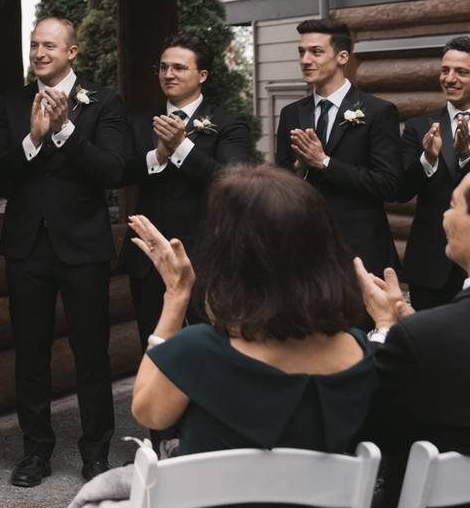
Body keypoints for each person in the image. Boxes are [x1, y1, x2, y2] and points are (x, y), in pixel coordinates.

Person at [88, 166, 377, 508]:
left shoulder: (202, 351)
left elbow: (149, 411)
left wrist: (176, 299)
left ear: (235, 259)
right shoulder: (357, 354)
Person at [0, 17, 127, 485]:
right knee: (30, 353)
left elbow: (113, 171)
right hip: (28, 246)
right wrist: (32, 139)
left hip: (83, 247)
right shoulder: (11, 104)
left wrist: (67, 130)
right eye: (34, 45)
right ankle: (36, 452)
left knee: (91, 353)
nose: (39, 52)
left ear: (72, 52)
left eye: (49, 45)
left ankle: (95, 452)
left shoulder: (104, 102)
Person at [355, 168, 470, 508]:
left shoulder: (424, 340)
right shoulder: (429, 335)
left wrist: (386, 329)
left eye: (454, 205)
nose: (444, 217)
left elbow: (368, 428)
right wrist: (411, 324)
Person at [117, 33, 252, 351]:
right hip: (149, 257)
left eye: (178, 68)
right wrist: (158, 156)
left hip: (207, 257)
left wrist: (181, 148)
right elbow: (119, 172)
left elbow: (230, 181)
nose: (168, 75)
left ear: (202, 75)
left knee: (213, 349)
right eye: (163, 68)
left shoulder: (229, 123)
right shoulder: (138, 122)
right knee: (155, 349)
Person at [274, 18, 401, 274]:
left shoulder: (378, 111)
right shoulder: (291, 113)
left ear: (342, 56)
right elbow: (280, 183)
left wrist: (324, 162)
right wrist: (299, 170)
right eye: (301, 52)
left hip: (360, 250)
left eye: (316, 52)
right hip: (305, 248)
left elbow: (389, 184)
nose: (305, 60)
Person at [396, 36, 470, 311]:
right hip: (430, 265)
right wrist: (428, 158)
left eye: (461, 71)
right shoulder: (419, 127)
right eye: (445, 70)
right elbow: (401, 191)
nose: (450, 78)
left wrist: (466, 157)